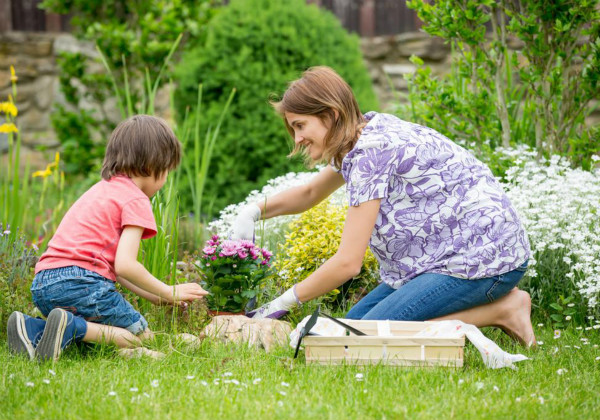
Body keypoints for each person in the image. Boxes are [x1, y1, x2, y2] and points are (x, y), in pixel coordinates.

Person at [232, 66, 536, 347]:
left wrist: (282, 303)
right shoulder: (362, 133)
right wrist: (253, 211)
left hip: (482, 262)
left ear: (331, 114)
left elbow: (348, 263)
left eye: (300, 125)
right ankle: (500, 308)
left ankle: (503, 309)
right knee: (350, 327)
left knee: (363, 338)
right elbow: (311, 192)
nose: (297, 139)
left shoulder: (370, 152)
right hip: (435, 261)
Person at [7, 115, 208, 362]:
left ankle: (33, 328)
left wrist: (154, 296)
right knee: (138, 336)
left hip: (44, 285)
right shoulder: (136, 199)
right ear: (153, 165)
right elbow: (126, 265)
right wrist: (169, 291)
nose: (165, 179)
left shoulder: (100, 190)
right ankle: (71, 326)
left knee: (104, 335)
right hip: (81, 284)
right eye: (167, 170)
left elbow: (116, 269)